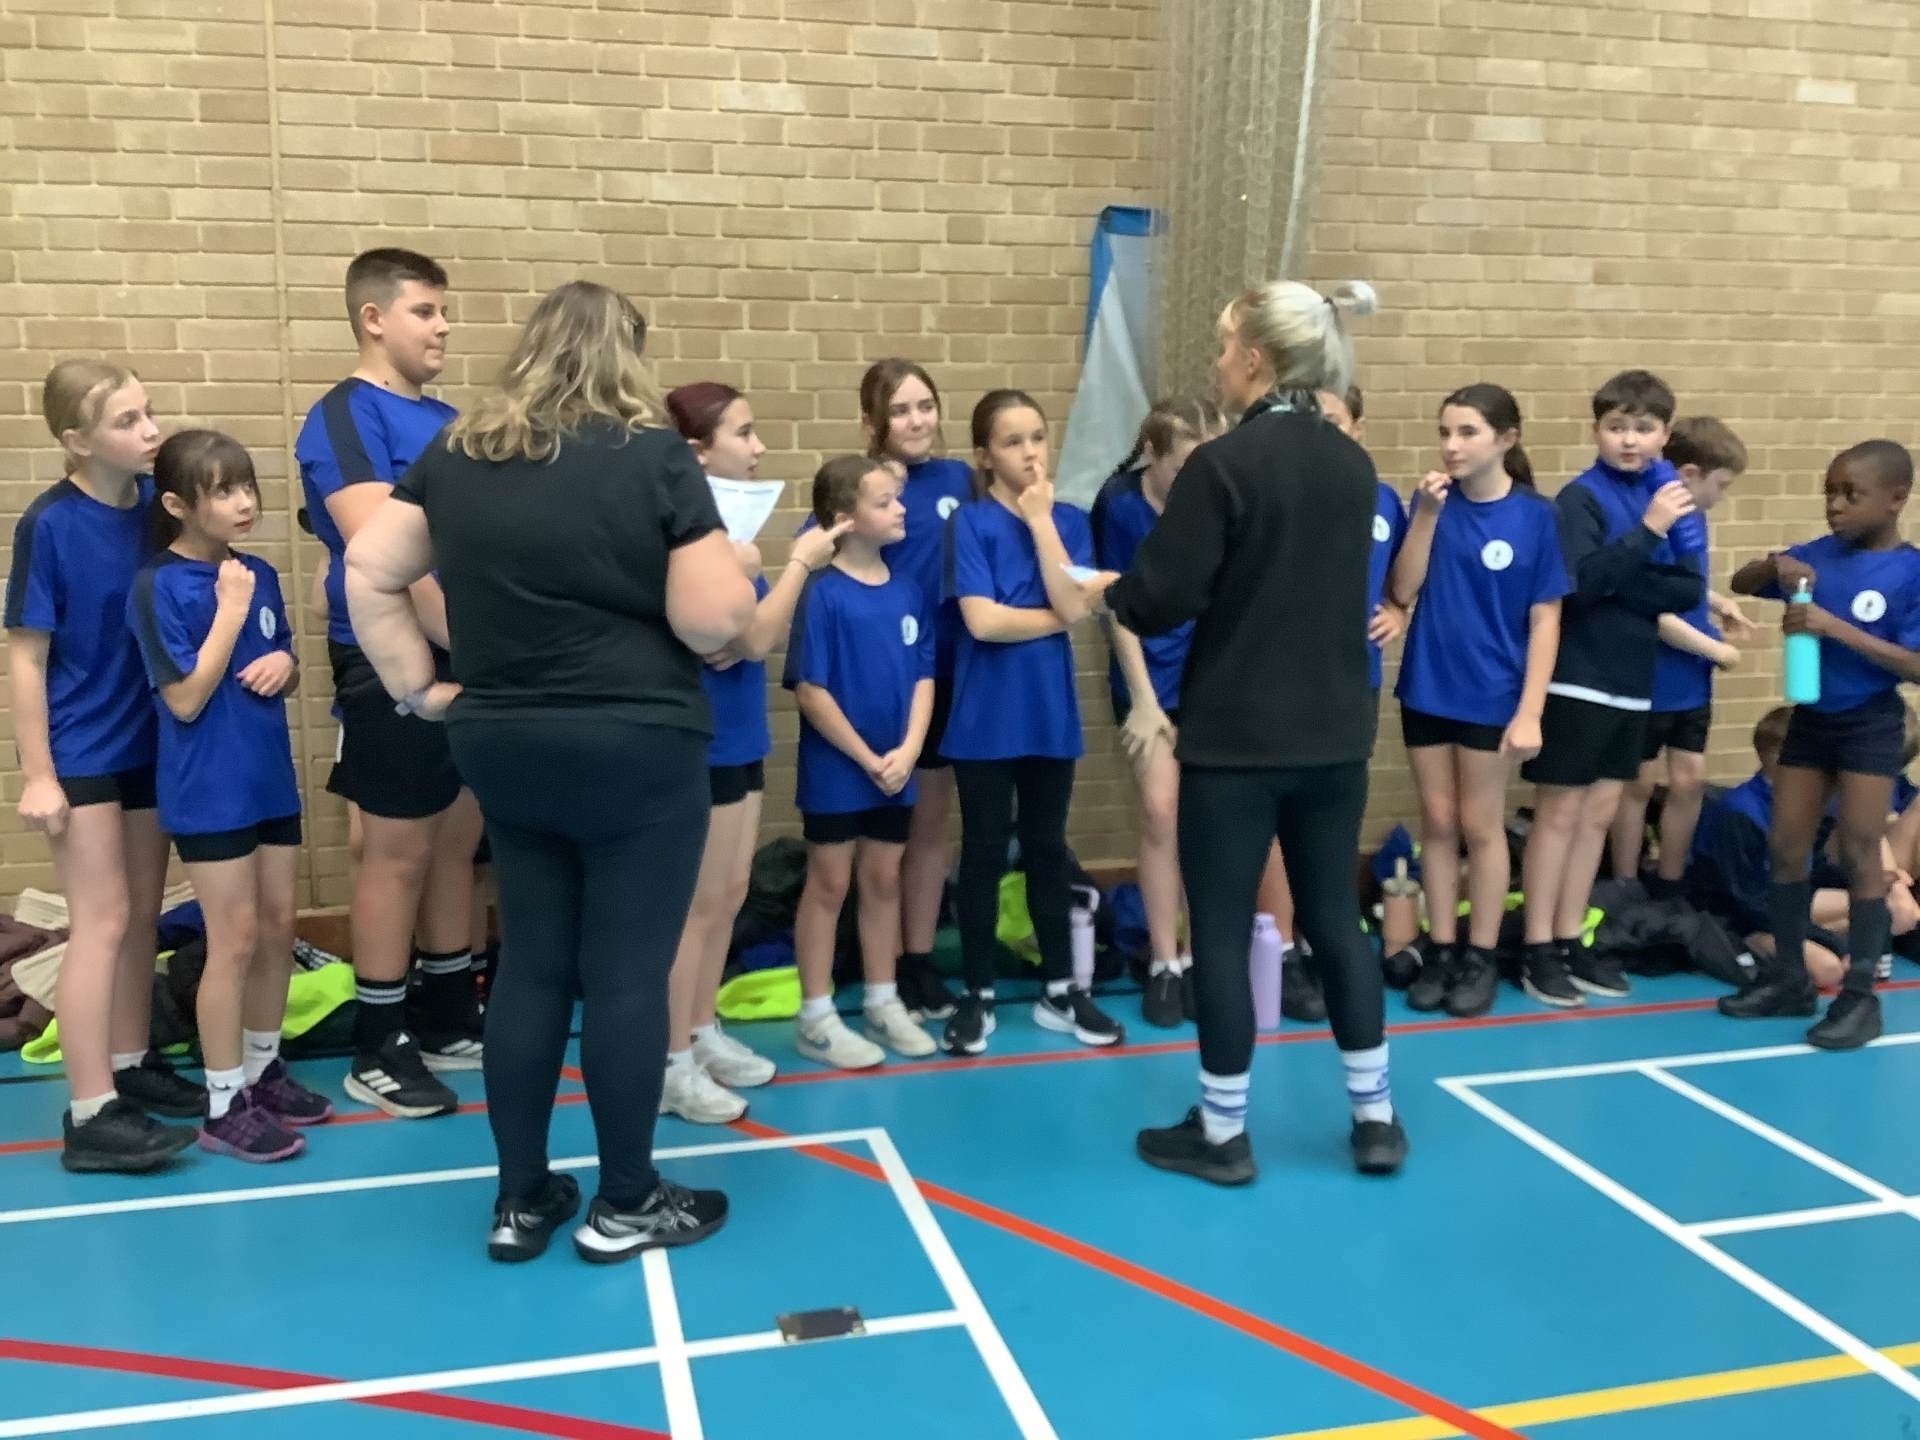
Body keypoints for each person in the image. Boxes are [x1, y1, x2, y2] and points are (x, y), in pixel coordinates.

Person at [345, 280, 756, 1263]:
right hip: (635, 745)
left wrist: (418, 689)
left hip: (504, 743)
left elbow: (369, 568)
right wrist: (730, 569)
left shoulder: (458, 453)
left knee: (530, 966)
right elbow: (712, 623)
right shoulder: (653, 456)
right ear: (628, 357)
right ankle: (627, 1202)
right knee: (625, 976)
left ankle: (521, 1200)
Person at [1093, 278, 1408, 1183]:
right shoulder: (1353, 466)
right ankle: (1376, 1119)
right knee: (1334, 920)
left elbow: (1159, 598)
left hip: (1236, 740)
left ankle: (1224, 1132)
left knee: (1224, 928)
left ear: (1259, 358)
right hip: (1335, 734)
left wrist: (1112, 590)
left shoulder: (1223, 467)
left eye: (1227, 345)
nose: (1219, 361)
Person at [295, 246, 486, 1120]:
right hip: (389, 658)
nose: (443, 327)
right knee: (396, 849)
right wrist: (471, 640)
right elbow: (386, 560)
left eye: (444, 311)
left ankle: (448, 1014)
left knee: (456, 839)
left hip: (464, 654)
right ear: (373, 319)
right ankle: (378, 1044)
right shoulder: (343, 416)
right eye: (425, 311)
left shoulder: (450, 421)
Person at [7, 361, 202, 1173]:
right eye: (127, 421)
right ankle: (89, 1113)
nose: (150, 431)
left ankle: (129, 1063)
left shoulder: (159, 512)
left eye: (148, 412)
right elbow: (26, 656)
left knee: (141, 917)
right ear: (77, 441)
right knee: (103, 919)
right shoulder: (50, 524)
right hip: (82, 751)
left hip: (148, 747)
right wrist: (38, 773)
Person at [128, 431, 332, 1161]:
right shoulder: (159, 585)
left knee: (277, 928)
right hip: (207, 790)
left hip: (267, 779)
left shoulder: (258, 574)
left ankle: (262, 1068)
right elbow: (183, 699)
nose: (244, 502)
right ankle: (222, 1103)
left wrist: (285, 664)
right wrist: (229, 612)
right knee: (235, 938)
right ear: (178, 505)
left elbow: (281, 662)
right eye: (222, 491)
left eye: (246, 486)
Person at [657, 383, 843, 1122]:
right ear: (698, 451)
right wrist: (799, 565)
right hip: (697, 736)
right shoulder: (686, 537)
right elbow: (750, 637)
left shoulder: (736, 538)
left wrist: (760, 591)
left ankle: (701, 1031)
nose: (759, 447)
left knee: (730, 893)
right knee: (693, 906)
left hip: (742, 727)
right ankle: (669, 1061)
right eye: (743, 433)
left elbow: (753, 637)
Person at [940, 390, 1125, 1057]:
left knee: (1048, 848)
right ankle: (978, 992)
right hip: (985, 713)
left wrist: (1042, 521)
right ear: (984, 455)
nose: (1029, 453)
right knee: (985, 851)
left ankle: (1061, 989)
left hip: (1048, 710)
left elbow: (1073, 603)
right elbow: (984, 620)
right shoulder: (970, 523)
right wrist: (1062, 614)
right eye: (1012, 441)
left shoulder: (1067, 521)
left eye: (1037, 438)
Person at [1721, 440, 1920, 1049]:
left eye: (1851, 494)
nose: (1835, 505)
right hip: (1812, 721)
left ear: (1896, 499)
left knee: (1860, 850)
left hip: (1869, 724)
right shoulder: (1817, 555)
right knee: (1786, 847)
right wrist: (1775, 567)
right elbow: (1740, 581)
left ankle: (1860, 998)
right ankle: (1790, 979)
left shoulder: (1910, 571)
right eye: (1829, 492)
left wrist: (1836, 628)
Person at [1518, 370, 1703, 1007]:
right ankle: (1537, 947)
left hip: (1633, 682)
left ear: (1664, 435)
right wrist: (1646, 536)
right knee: (1559, 816)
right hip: (1578, 681)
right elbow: (1582, 585)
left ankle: (1572, 937)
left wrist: (1628, 576)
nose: (1629, 440)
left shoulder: (1668, 496)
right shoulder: (1581, 498)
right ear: (1596, 430)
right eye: (1616, 426)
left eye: (1643, 428)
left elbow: (1689, 589)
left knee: (1599, 816)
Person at [1391, 385, 1567, 1019]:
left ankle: (1481, 955)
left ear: (1506, 439)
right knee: (1437, 823)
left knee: (1479, 825)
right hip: (1427, 687)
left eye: (1467, 432)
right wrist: (1425, 516)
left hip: (1492, 695)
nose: (1451, 445)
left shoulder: (1537, 516)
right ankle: (1441, 948)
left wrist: (1530, 711)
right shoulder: (1433, 505)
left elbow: (1546, 619)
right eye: (1445, 432)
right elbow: (1402, 590)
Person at [785, 456, 939, 1069]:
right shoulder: (822, 594)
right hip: (838, 770)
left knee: (883, 880)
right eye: (884, 502)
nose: (900, 509)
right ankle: (816, 1016)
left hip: (896, 769)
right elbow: (810, 690)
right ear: (846, 518)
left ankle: (882, 998)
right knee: (829, 883)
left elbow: (924, 675)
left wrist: (909, 750)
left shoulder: (908, 591)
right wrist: (867, 757)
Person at [1090, 396, 1228, 1027]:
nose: (1196, 480)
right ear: (1152, 455)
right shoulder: (1120, 505)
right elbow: (1117, 602)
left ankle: (1201, 959)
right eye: (1183, 467)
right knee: (1158, 811)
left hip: (1211, 677)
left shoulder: (1221, 497)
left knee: (1208, 820)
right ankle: (1164, 962)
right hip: (1147, 673)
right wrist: (1143, 700)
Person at [854, 361, 975, 1021]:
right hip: (888, 680)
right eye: (899, 410)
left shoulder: (961, 479)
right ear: (873, 421)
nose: (916, 420)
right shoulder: (862, 485)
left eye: (924, 405)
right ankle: (882, 964)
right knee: (885, 832)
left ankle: (919, 961)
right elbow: (824, 555)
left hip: (953, 673)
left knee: (932, 822)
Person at [1609, 418, 1754, 890]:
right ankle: (1627, 880)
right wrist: (1718, 650)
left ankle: (1671, 879)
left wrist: (1716, 603)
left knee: (1689, 779)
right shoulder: (1652, 522)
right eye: (1721, 485)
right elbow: (1654, 610)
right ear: (1689, 474)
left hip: (1691, 678)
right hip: (1653, 676)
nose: (1721, 496)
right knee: (1637, 783)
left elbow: (1684, 585)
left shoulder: (1694, 518)